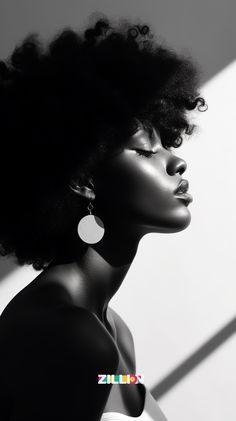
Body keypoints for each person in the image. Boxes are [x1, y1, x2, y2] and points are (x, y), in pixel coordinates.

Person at [0, 16, 206, 421]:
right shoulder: (64, 336)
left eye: (167, 141)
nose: (176, 161)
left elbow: (123, 396)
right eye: (145, 150)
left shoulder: (113, 334)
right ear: (82, 180)